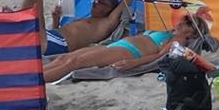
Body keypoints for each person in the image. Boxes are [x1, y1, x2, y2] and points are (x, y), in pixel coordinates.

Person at [42, 17, 205, 84]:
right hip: (117, 45)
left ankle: (36, 82)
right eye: (185, 19)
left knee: (74, 62)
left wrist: (133, 63)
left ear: (194, 32)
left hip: (129, 52)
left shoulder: (180, 39)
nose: (184, 22)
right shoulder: (169, 32)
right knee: (64, 58)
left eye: (189, 23)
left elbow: (160, 57)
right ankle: (32, 77)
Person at [7, 0, 125, 56]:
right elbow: (57, 31)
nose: (95, 2)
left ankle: (18, 22)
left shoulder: (105, 23)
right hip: (51, 36)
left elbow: (124, 3)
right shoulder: (85, 19)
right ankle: (18, 23)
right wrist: (56, 19)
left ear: (110, 9)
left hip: (59, 43)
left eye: (101, 2)